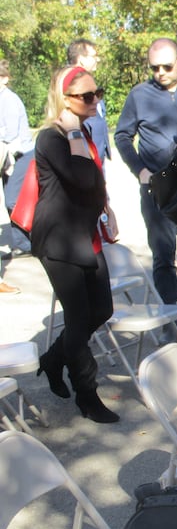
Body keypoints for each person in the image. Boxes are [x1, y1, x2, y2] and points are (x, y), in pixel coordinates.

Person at [33, 65, 120, 423]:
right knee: (80, 317)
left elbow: (95, 181)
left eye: (97, 94)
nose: (94, 101)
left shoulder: (80, 131)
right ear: (64, 99)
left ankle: (53, 359)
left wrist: (107, 208)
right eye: (87, 96)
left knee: (103, 310)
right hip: (59, 239)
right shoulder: (53, 138)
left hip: (87, 234)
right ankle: (87, 396)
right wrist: (72, 135)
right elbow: (83, 177)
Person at [115, 38, 177, 337]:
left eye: (167, 66)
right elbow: (122, 136)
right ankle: (168, 318)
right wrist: (140, 170)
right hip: (155, 186)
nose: (160, 72)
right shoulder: (139, 95)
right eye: (154, 67)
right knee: (162, 254)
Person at [0, 59, 34, 259]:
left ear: (4, 79)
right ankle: (22, 244)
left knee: (15, 199)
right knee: (9, 200)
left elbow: (11, 133)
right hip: (8, 156)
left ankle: (36, 239)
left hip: (22, 155)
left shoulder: (9, 100)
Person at [67, 39, 111, 165]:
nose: (98, 59)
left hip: (97, 157)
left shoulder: (90, 83)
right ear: (81, 59)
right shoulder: (69, 87)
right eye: (94, 56)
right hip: (83, 159)